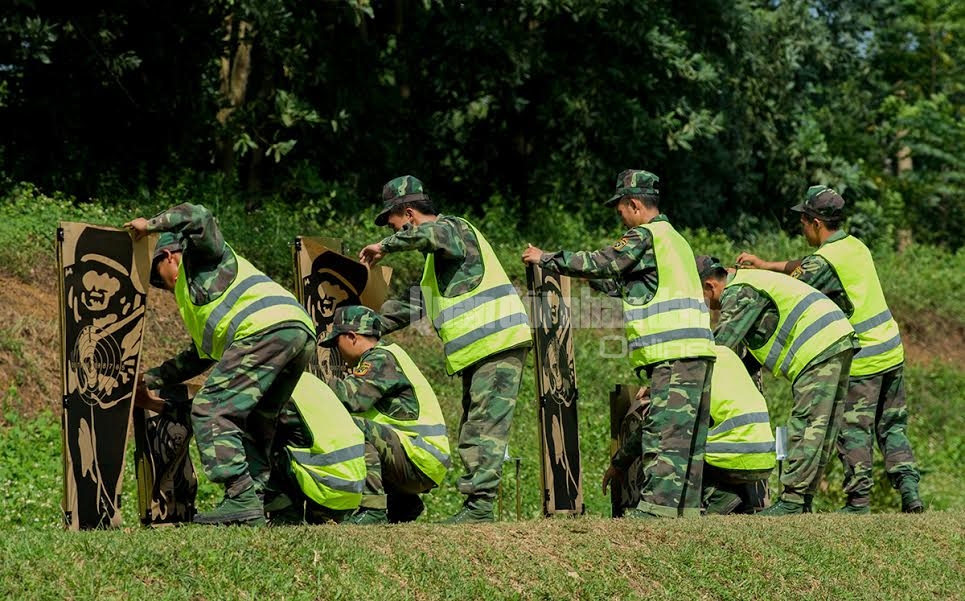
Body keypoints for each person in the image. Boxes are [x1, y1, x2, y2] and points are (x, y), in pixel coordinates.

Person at [523, 169, 716, 519]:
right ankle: (686, 514)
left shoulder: (645, 235)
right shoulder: (676, 241)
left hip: (673, 351)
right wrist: (579, 274)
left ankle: (655, 512)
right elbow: (622, 284)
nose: (621, 220)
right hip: (698, 350)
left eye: (621, 211)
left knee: (662, 433)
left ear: (634, 204)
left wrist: (547, 258)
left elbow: (604, 262)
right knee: (688, 439)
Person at [733, 186, 922, 513]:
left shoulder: (824, 261)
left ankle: (859, 504)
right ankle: (911, 493)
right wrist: (766, 263)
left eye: (803, 221)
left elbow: (794, 281)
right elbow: (803, 265)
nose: (801, 228)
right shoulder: (855, 246)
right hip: (892, 348)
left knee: (854, 430)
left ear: (815, 222)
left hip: (865, 356)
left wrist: (750, 275)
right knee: (891, 426)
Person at [125, 203, 316, 526]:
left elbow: (198, 215)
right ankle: (272, 505)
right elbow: (196, 358)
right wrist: (149, 378)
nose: (163, 288)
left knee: (211, 407)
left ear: (169, 257)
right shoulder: (195, 297)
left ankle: (240, 498)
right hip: (296, 331)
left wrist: (151, 226)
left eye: (159, 279)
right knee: (256, 421)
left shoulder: (202, 259)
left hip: (265, 329)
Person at [358, 176, 531, 523]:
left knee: (483, 428)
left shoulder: (453, 230)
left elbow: (430, 234)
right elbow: (412, 305)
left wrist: (385, 246)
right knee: (474, 426)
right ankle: (476, 505)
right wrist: (359, 325)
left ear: (408, 214)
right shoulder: (437, 266)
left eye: (393, 223)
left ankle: (479, 509)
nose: (393, 229)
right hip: (483, 349)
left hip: (496, 342)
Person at [697, 255, 857, 515]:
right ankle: (801, 501)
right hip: (836, 337)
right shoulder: (752, 282)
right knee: (822, 429)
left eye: (704, 300)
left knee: (806, 426)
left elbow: (721, 349)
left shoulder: (738, 292)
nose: (710, 308)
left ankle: (792, 503)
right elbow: (744, 357)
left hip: (816, 344)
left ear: (710, 286)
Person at [604, 344, 776, 515]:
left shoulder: (688, 364)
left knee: (676, 442)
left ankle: (719, 494)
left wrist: (620, 463)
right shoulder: (725, 353)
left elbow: (659, 424)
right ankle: (737, 496)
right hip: (764, 456)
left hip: (730, 456)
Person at [319, 305, 451, 525]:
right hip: (422, 459)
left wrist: (312, 386)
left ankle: (373, 509)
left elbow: (352, 398)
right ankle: (402, 504)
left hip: (418, 458)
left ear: (351, 337)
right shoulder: (390, 355)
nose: (337, 352)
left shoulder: (380, 359)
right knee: (367, 432)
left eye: (336, 344)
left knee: (349, 429)